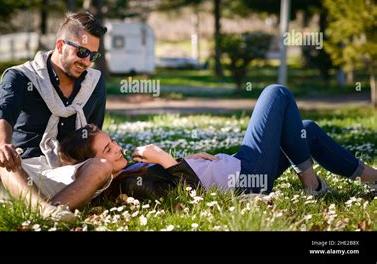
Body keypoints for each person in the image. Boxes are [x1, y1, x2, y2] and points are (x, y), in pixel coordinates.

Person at [58, 85, 377, 201]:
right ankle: (311, 182)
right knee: (275, 93)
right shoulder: (130, 186)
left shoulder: (131, 170)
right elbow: (187, 199)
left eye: (112, 142)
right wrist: (168, 159)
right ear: (93, 163)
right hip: (249, 177)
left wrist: (187, 159)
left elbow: (179, 177)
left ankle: (371, 178)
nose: (116, 148)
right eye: (107, 150)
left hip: (236, 163)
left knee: (305, 130)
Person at [0, 11, 113, 217]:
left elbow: (93, 135)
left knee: (101, 167)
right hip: (20, 171)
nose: (87, 61)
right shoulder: (20, 77)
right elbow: (3, 115)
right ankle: (46, 211)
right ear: (61, 46)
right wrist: (0, 144)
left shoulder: (95, 83)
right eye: (82, 52)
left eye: (93, 55)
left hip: (65, 176)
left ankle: (47, 212)